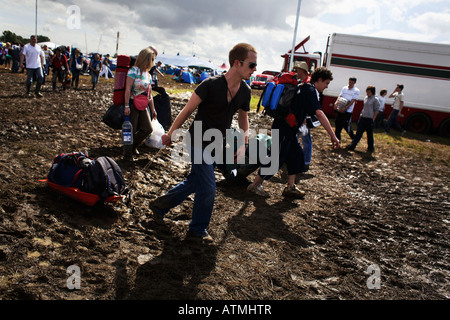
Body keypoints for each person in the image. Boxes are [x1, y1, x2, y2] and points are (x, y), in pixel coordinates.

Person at [149, 43, 257, 241]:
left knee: (196, 181)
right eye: (251, 65)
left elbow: (243, 117)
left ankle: (159, 205)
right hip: (197, 140)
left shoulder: (245, 91)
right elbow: (187, 110)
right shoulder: (210, 85)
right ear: (237, 63)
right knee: (208, 186)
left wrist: (243, 142)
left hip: (218, 143)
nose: (255, 69)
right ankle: (197, 230)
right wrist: (170, 134)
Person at [247, 67, 340, 198]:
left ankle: (290, 187)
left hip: (289, 130)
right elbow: (319, 113)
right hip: (283, 128)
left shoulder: (304, 87)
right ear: (319, 80)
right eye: (326, 83)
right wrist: (333, 135)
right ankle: (255, 185)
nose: (326, 87)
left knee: (296, 156)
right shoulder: (309, 90)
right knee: (276, 158)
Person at [123, 47, 158, 160]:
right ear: (146, 59)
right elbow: (127, 89)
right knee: (130, 131)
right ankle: (127, 154)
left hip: (143, 105)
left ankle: (133, 147)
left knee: (147, 129)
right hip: (133, 103)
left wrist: (153, 109)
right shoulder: (133, 71)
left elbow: (149, 94)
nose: (153, 61)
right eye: (151, 59)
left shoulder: (148, 75)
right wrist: (126, 105)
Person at [346, 86, 380, 152]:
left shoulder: (375, 99)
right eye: (367, 92)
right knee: (359, 133)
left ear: (372, 92)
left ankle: (370, 147)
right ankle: (353, 145)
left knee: (369, 134)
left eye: (369, 92)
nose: (367, 93)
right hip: (363, 118)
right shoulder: (366, 98)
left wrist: (373, 119)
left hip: (369, 119)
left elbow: (376, 110)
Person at [293, 61, 312, 171]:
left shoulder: (308, 85)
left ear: (303, 71)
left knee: (305, 139)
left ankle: (305, 162)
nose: (296, 72)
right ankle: (302, 160)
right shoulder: (302, 83)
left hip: (304, 118)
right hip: (300, 118)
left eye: (298, 70)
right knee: (299, 138)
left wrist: (305, 117)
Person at [334, 77, 359, 141]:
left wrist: (345, 108)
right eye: (350, 82)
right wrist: (336, 103)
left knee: (346, 125)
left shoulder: (356, 90)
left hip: (348, 111)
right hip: (340, 108)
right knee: (337, 124)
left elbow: (353, 101)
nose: (350, 84)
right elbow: (340, 96)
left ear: (355, 83)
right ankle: (337, 140)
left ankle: (354, 138)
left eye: (352, 83)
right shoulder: (344, 88)